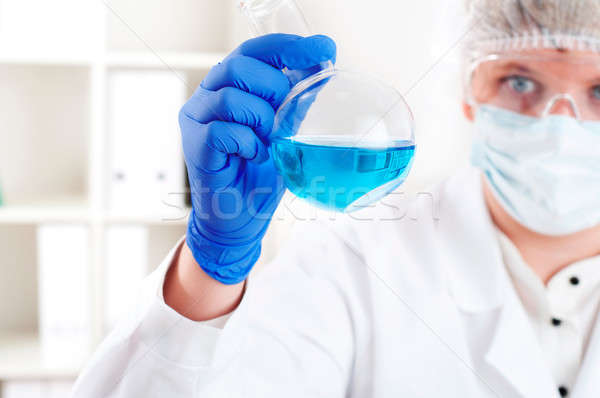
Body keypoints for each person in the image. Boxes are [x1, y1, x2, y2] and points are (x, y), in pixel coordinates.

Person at [72, 0, 600, 396]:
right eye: (520, 81)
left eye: (598, 91)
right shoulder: (349, 260)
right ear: (467, 93)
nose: (560, 123)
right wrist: (211, 268)